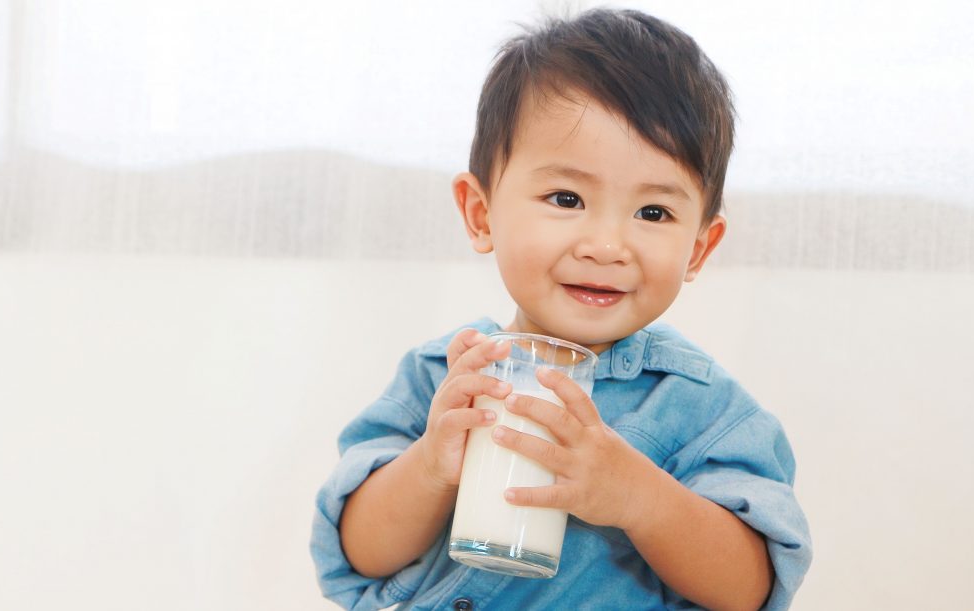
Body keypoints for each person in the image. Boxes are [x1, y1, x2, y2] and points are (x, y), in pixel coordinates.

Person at [311, 8, 811, 610]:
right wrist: (429, 469)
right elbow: (360, 555)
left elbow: (748, 590)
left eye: (653, 213)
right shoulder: (446, 376)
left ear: (699, 248)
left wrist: (638, 497)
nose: (605, 246)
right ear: (480, 213)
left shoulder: (703, 408)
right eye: (566, 198)